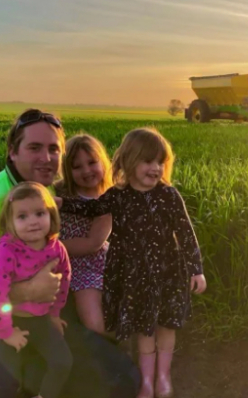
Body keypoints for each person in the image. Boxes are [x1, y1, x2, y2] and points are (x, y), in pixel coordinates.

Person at [0, 109, 139, 398]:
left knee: (114, 367)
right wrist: (28, 290)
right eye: (34, 148)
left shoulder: (42, 191)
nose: (46, 157)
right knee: (119, 381)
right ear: (12, 152)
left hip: (50, 306)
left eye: (54, 148)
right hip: (14, 319)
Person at [58, 127, 207, 398]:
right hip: (133, 275)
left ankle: (163, 377)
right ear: (128, 161)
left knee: (166, 325)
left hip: (168, 273)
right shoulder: (117, 196)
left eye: (160, 162)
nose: (156, 168)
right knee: (144, 328)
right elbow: (91, 208)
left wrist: (196, 270)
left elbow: (186, 233)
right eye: (148, 161)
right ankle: (146, 382)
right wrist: (60, 203)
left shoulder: (169, 196)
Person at [0, 181, 72, 398]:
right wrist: (6, 333)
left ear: (51, 215)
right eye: (22, 217)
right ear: (10, 222)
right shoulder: (5, 254)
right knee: (8, 380)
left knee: (62, 362)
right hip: (8, 320)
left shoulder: (57, 249)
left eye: (39, 213)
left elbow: (63, 281)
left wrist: (54, 314)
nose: (33, 222)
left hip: (40, 318)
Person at [55, 134, 113, 336]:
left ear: (103, 163)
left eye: (92, 162)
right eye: (77, 166)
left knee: (93, 322)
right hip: (56, 261)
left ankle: (116, 345)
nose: (86, 171)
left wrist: (50, 248)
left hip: (88, 264)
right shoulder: (60, 192)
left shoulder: (108, 199)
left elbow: (93, 243)